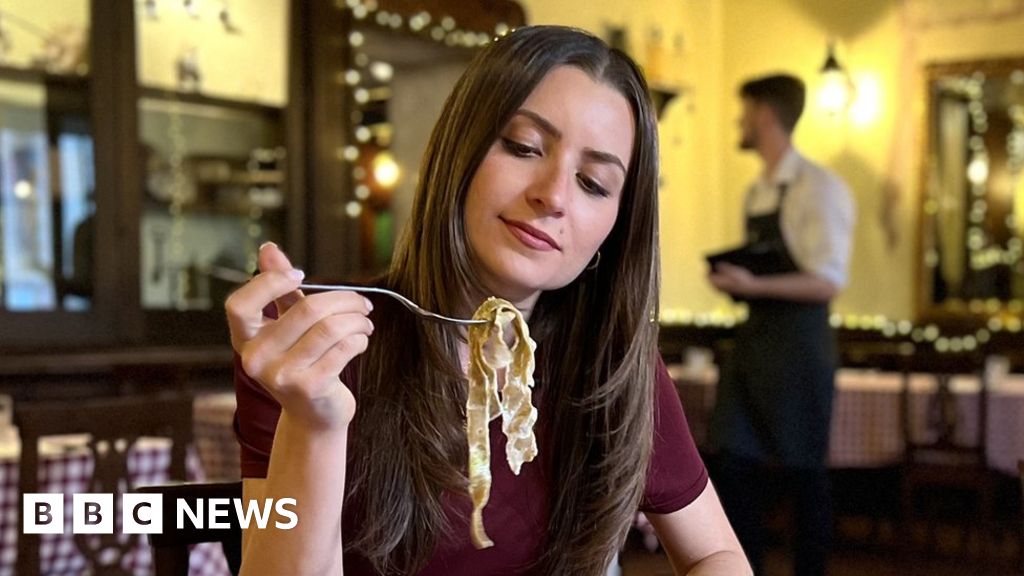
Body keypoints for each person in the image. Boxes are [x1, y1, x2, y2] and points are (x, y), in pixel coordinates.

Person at [227, 25, 751, 576]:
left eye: (594, 183)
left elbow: (716, 554)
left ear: (613, 234)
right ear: (461, 153)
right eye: (524, 148)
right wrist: (315, 425)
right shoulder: (319, 352)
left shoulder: (611, 365)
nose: (552, 194)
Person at [706, 73, 855, 576]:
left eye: (744, 111)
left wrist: (753, 286)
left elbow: (828, 281)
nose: (738, 121)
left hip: (801, 348)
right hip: (753, 345)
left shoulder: (822, 188)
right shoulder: (756, 191)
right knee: (732, 464)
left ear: (765, 114)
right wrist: (735, 282)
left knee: (804, 476)